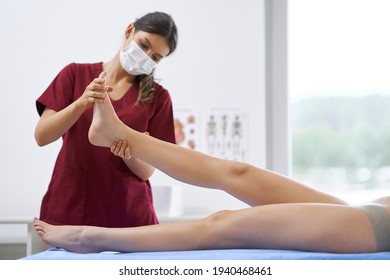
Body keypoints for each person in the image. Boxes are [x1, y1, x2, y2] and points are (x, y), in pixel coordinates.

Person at [33, 85, 390, 254]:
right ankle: (118, 133)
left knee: (223, 223)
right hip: (373, 211)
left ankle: (90, 237)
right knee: (238, 172)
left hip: (378, 229)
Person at [34, 12, 178, 228]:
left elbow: (148, 170)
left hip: (128, 214)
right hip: (72, 206)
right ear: (130, 31)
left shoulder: (158, 98)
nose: (147, 56)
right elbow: (41, 136)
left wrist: (130, 153)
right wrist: (81, 103)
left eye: (155, 57)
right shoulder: (75, 75)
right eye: (144, 45)